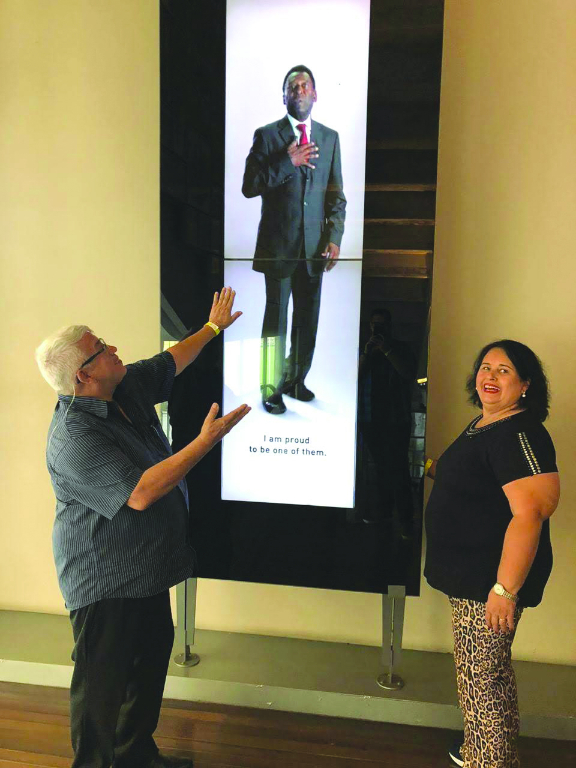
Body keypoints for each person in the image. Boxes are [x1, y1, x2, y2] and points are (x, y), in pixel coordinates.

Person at [35, 288, 249, 768]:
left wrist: (213, 327)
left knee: (149, 669)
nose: (113, 348)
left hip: (145, 571)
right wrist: (204, 442)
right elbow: (142, 491)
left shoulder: (123, 384)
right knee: (101, 690)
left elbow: (170, 361)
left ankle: (135, 757)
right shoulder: (73, 437)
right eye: (100, 348)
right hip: (104, 581)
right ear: (82, 375)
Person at [423, 340, 560, 768]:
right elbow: (476, 476)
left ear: (525, 385)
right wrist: (429, 468)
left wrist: (504, 590)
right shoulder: (488, 423)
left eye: (504, 370)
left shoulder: (519, 432)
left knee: (480, 680)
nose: (491, 377)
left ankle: (489, 760)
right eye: (486, 367)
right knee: (488, 675)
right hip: (471, 578)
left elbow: (532, 511)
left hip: (488, 585)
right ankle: (490, 752)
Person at [242, 64, 346, 414]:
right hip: (279, 248)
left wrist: (334, 237)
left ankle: (295, 380)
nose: (299, 91)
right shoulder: (267, 135)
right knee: (276, 322)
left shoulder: (330, 138)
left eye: (305, 86)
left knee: (307, 319)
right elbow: (248, 186)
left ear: (315, 94)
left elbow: (337, 197)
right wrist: (286, 161)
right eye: (292, 87)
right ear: (284, 95)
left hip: (315, 250)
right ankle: (270, 389)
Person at [358, 309, 416, 533]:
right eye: (374, 325)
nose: (377, 329)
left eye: (381, 325)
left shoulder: (400, 348)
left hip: (395, 418)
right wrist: (366, 353)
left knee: (399, 469)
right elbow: (354, 378)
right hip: (369, 416)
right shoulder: (367, 349)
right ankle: (382, 513)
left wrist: (387, 350)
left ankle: (405, 520)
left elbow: (408, 373)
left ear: (389, 327)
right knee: (379, 468)